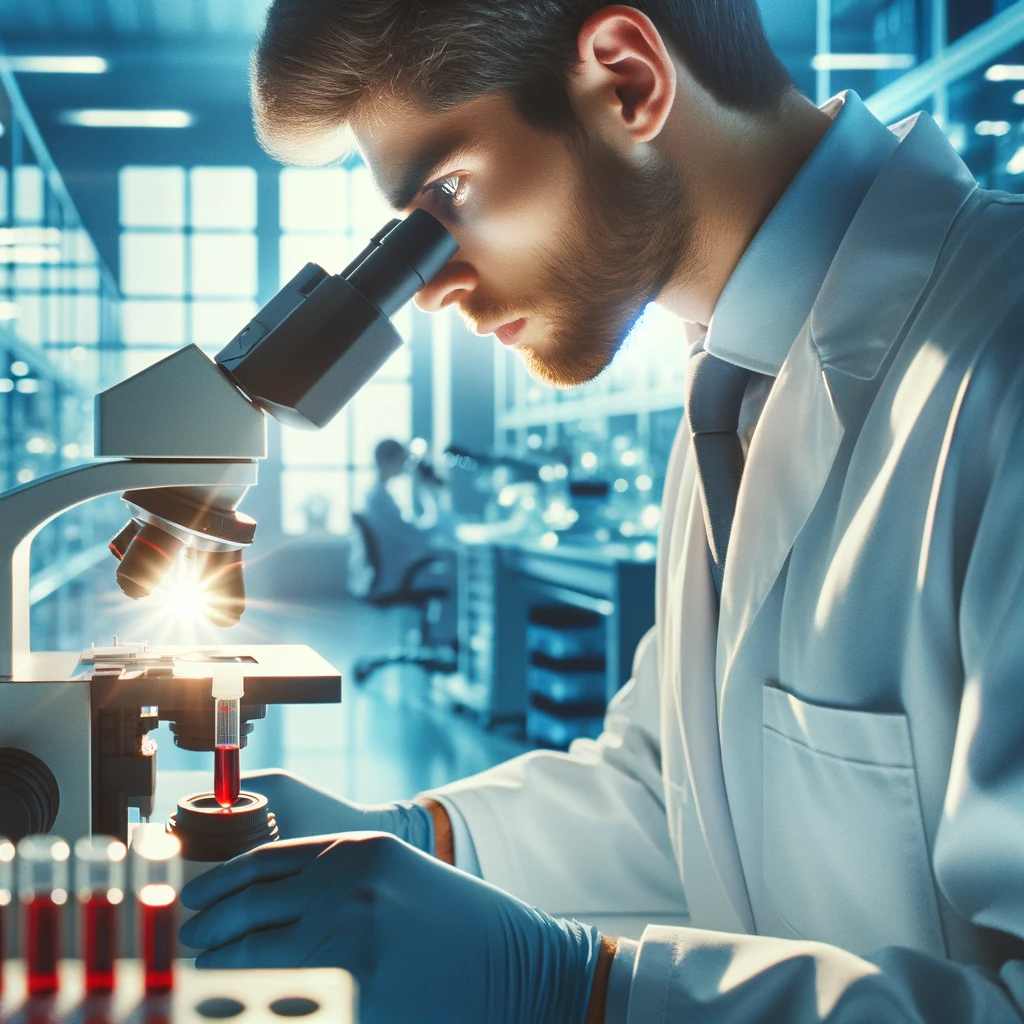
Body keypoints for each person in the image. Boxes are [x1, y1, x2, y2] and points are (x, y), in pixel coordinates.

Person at [178, 2, 1024, 1022]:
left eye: (449, 192)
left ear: (626, 79)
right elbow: (672, 796)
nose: (434, 284)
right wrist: (409, 834)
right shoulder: (734, 379)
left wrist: (575, 986)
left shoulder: (998, 358)